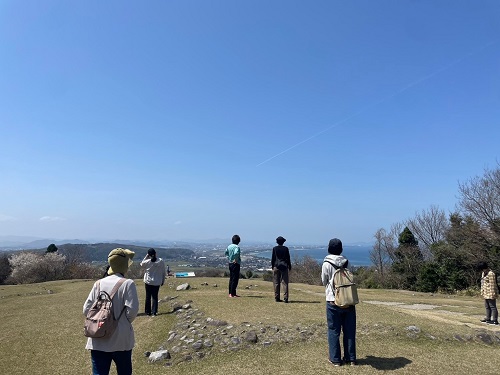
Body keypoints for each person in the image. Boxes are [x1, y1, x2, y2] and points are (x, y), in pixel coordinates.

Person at [83, 248, 139, 375]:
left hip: (98, 335)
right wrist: (122, 322)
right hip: (121, 338)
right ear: (125, 265)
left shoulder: (98, 283)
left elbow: (86, 309)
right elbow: (133, 310)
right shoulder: (128, 284)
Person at [321, 238, 356, 367]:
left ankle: (335, 359)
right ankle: (351, 358)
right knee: (349, 330)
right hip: (348, 299)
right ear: (341, 249)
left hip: (332, 300)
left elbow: (324, 281)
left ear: (329, 248)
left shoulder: (326, 263)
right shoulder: (347, 262)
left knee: (333, 330)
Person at [140, 248, 166, 316]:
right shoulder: (160, 261)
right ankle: (154, 311)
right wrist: (163, 280)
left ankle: (148, 312)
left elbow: (141, 264)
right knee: (155, 297)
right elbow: (163, 272)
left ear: (149, 255)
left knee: (148, 297)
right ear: (155, 253)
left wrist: (146, 256)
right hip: (157, 282)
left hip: (148, 282)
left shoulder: (147, 262)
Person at [271, 236, 292, 303]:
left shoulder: (275, 248)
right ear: (283, 242)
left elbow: (273, 258)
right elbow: (288, 258)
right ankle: (286, 298)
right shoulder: (286, 249)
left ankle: (277, 297)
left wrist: (272, 266)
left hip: (276, 266)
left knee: (276, 282)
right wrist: (289, 266)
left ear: (277, 242)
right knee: (285, 282)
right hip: (284, 266)